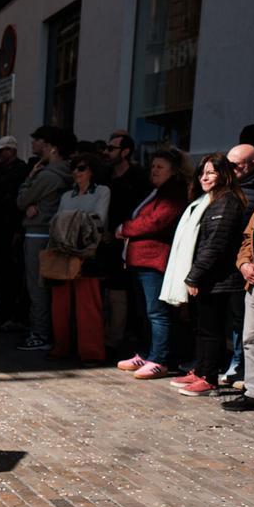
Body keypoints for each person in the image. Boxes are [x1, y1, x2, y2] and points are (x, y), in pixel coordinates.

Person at [168, 155, 247, 397]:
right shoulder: (211, 201)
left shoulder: (226, 203)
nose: (204, 177)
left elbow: (215, 245)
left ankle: (209, 378)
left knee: (211, 329)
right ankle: (201, 370)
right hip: (210, 278)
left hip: (219, 279)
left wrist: (194, 276)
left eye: (211, 172)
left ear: (224, 175)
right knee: (202, 327)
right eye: (202, 172)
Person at [115, 149, 190, 379]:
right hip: (140, 260)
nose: (154, 170)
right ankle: (147, 353)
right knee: (144, 312)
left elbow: (155, 222)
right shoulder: (157, 191)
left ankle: (159, 359)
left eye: (160, 167)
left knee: (157, 313)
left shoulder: (174, 192)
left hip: (154, 261)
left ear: (173, 171)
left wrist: (125, 228)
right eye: (153, 166)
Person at [15, 126, 76, 351]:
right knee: (49, 286)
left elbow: (22, 201)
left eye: (39, 140)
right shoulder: (67, 173)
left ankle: (40, 333)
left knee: (37, 286)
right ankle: (48, 330)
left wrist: (29, 179)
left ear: (52, 148)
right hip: (54, 234)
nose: (33, 144)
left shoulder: (47, 175)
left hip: (37, 233)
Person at [48, 154, 110, 363]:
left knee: (88, 305)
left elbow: (98, 221)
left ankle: (91, 352)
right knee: (60, 304)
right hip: (63, 252)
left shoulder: (102, 191)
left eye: (81, 168)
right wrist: (77, 221)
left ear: (92, 171)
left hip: (88, 253)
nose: (76, 172)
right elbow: (56, 223)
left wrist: (69, 222)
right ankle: (61, 347)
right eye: (74, 168)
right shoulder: (67, 196)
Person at [102, 133, 150, 353]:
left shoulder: (139, 178)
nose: (107, 152)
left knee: (122, 291)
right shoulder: (105, 175)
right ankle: (106, 335)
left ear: (125, 151)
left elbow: (141, 211)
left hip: (128, 241)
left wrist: (123, 232)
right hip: (105, 241)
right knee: (108, 291)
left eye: (112, 148)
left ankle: (117, 338)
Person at [222, 143, 254, 388]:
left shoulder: (249, 194)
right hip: (249, 277)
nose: (229, 170)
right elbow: (248, 236)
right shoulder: (231, 190)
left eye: (235, 165)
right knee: (249, 337)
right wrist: (244, 262)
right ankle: (252, 390)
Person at [0, 136, 30, 329]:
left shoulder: (19, 170)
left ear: (10, 151)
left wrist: (18, 229)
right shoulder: (0, 169)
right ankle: (4, 307)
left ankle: (11, 309)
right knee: (1, 268)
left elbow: (4, 194)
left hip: (10, 226)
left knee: (10, 271)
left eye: (1, 151)